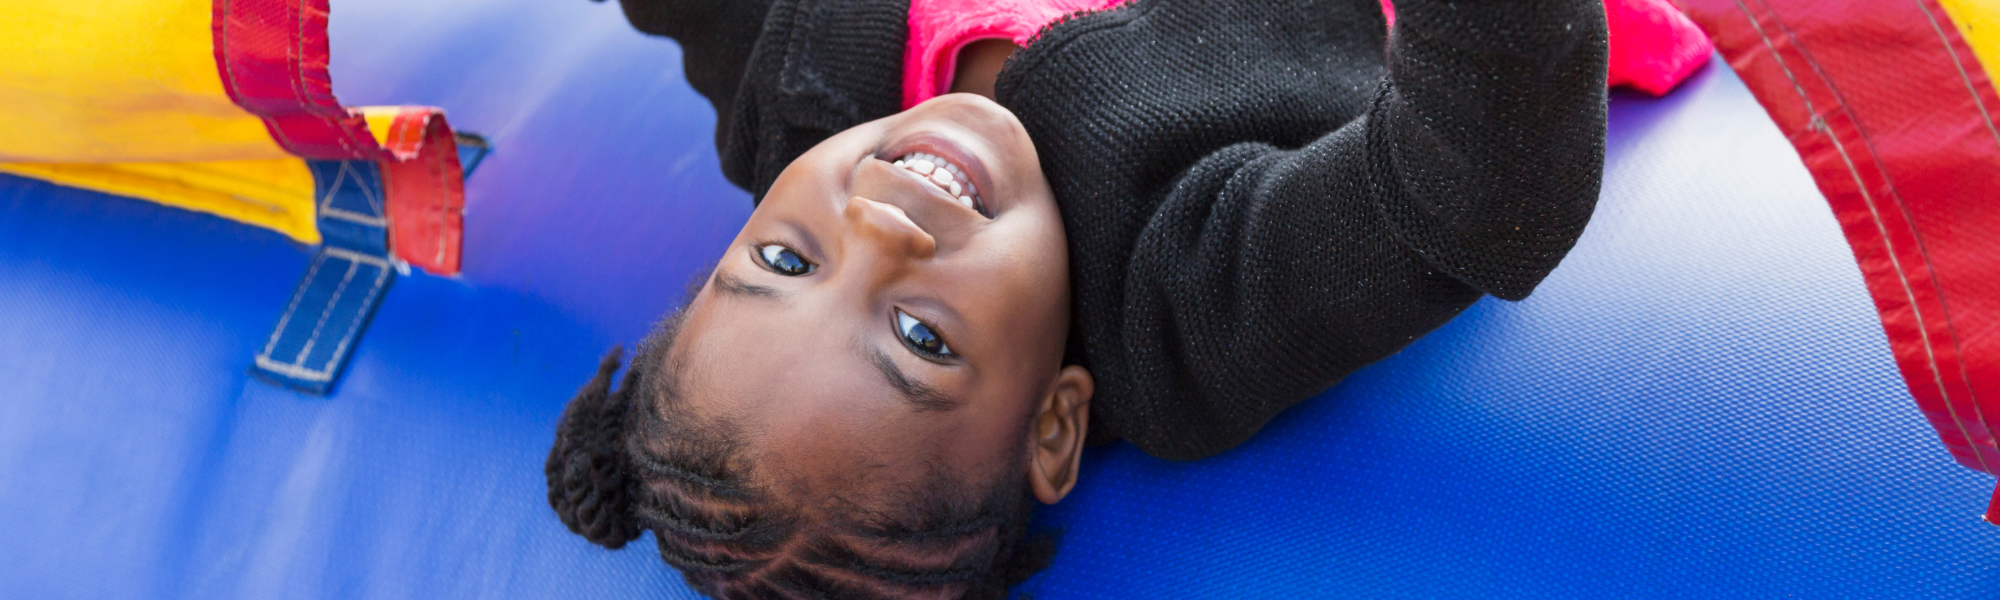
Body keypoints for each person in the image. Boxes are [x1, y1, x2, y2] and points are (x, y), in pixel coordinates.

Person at [545, 0, 1609, 597]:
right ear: (1052, 422)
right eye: (919, 336)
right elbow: (1469, 200)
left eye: (784, 264)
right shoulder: (1177, 300)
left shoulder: (791, 79)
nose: (877, 226)